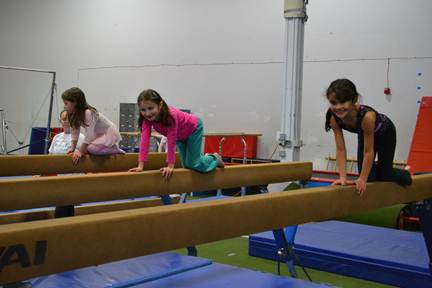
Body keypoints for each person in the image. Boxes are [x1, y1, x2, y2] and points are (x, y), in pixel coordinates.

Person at [324, 78, 412, 196]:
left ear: (354, 100)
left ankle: (406, 174)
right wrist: (342, 178)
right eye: (334, 103)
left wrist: (362, 179)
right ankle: (377, 169)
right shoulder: (333, 117)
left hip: (386, 134)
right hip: (364, 134)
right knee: (369, 178)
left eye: (343, 102)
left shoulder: (367, 117)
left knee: (385, 175)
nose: (338, 107)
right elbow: (340, 149)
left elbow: (368, 152)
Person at [129, 89, 224, 179]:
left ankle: (214, 158)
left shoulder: (171, 116)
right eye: (143, 110)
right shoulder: (146, 120)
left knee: (193, 164)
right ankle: (204, 158)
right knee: (186, 166)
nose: (147, 113)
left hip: (193, 128)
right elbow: (145, 141)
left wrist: (170, 166)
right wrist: (140, 166)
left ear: (160, 104)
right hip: (181, 136)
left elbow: (171, 141)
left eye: (150, 108)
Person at [61, 87, 124, 164]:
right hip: (98, 134)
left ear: (75, 102)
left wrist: (80, 151)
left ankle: (114, 149)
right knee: (86, 150)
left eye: (66, 103)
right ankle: (109, 148)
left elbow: (89, 134)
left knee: (91, 149)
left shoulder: (88, 113)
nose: (64, 106)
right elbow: (75, 132)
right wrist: (72, 148)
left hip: (108, 132)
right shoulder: (73, 115)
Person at [48, 110, 85, 218]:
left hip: (74, 178)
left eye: (68, 118)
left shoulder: (81, 137)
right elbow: (49, 158)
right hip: (59, 178)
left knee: (63, 205)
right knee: (64, 207)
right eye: (63, 119)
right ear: (60, 120)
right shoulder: (56, 137)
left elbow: (85, 158)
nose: (65, 121)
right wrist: (41, 174)